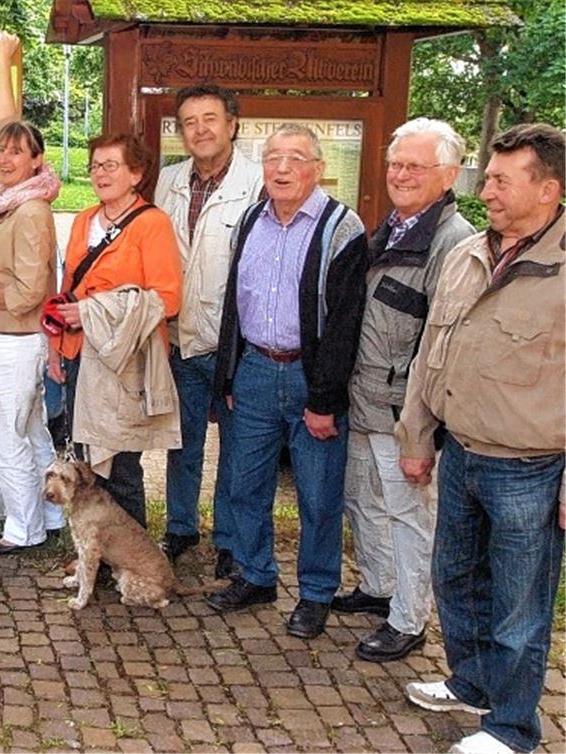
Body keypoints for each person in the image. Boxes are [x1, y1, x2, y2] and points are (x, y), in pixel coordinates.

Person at [397, 123, 564, 754]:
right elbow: (431, 352)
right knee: (456, 580)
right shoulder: (470, 253)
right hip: (460, 451)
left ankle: (513, 728)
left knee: (520, 608)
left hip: (532, 466)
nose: (484, 188)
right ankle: (473, 683)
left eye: (500, 179)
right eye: (486, 176)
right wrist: (417, 434)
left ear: (547, 189)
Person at [205, 124, 368, 641]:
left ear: (317, 168)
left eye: (295, 158)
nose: (281, 168)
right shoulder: (251, 219)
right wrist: (228, 374)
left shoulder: (342, 228)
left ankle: (316, 592)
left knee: (319, 497)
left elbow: (345, 323)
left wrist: (324, 398)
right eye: (273, 157)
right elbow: (235, 302)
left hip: (309, 377)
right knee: (244, 485)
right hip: (253, 371)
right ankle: (256, 576)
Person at [333, 118, 475, 663]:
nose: (401, 174)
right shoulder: (392, 228)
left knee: (410, 515)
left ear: (448, 174)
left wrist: (422, 429)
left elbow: (443, 346)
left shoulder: (452, 243)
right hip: (364, 399)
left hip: (403, 413)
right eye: (396, 164)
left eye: (416, 166)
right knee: (365, 500)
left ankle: (409, 619)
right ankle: (379, 585)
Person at [0, 34, 64, 555]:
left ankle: (22, 532)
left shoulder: (30, 210)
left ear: (36, 160)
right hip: (8, 340)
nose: (4, 156)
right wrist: (3, 63)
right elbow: (4, 121)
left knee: (8, 440)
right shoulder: (9, 197)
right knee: (34, 434)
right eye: (1, 149)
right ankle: (48, 517)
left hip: (14, 339)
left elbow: (28, 292)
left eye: (16, 152)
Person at [47, 133, 182, 530]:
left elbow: (167, 298)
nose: (100, 174)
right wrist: (55, 347)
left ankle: (131, 555)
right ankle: (96, 552)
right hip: (77, 355)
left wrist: (91, 311)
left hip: (123, 362)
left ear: (136, 173)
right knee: (85, 464)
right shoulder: (84, 220)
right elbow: (66, 288)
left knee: (120, 467)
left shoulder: (152, 224)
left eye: (111, 166)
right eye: (95, 166)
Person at [154, 84, 263, 576]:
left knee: (238, 452)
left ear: (232, 124)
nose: (199, 130)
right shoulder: (167, 181)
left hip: (236, 347)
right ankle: (180, 528)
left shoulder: (259, 183)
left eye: (210, 119)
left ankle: (229, 538)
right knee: (182, 443)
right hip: (181, 339)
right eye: (189, 122)